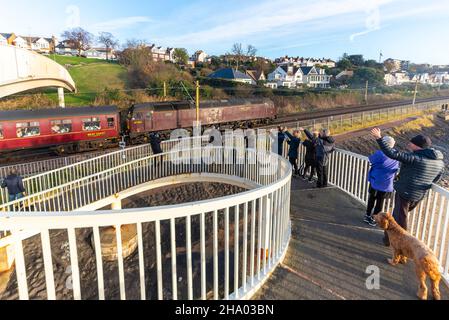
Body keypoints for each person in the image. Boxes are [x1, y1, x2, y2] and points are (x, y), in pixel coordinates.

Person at [371, 128, 445, 246]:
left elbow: (392, 154)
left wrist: (379, 138)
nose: (409, 144)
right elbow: (437, 178)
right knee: (398, 216)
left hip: (406, 193)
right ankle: (388, 239)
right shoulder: (440, 162)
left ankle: (402, 245)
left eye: (411, 143)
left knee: (400, 220)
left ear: (418, 146)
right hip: (419, 195)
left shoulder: (415, 158)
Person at [364, 136, 400, 227]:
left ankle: (368, 215)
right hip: (387, 183)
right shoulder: (396, 154)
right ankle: (374, 219)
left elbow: (371, 159)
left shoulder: (380, 153)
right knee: (380, 202)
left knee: (372, 198)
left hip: (376, 180)